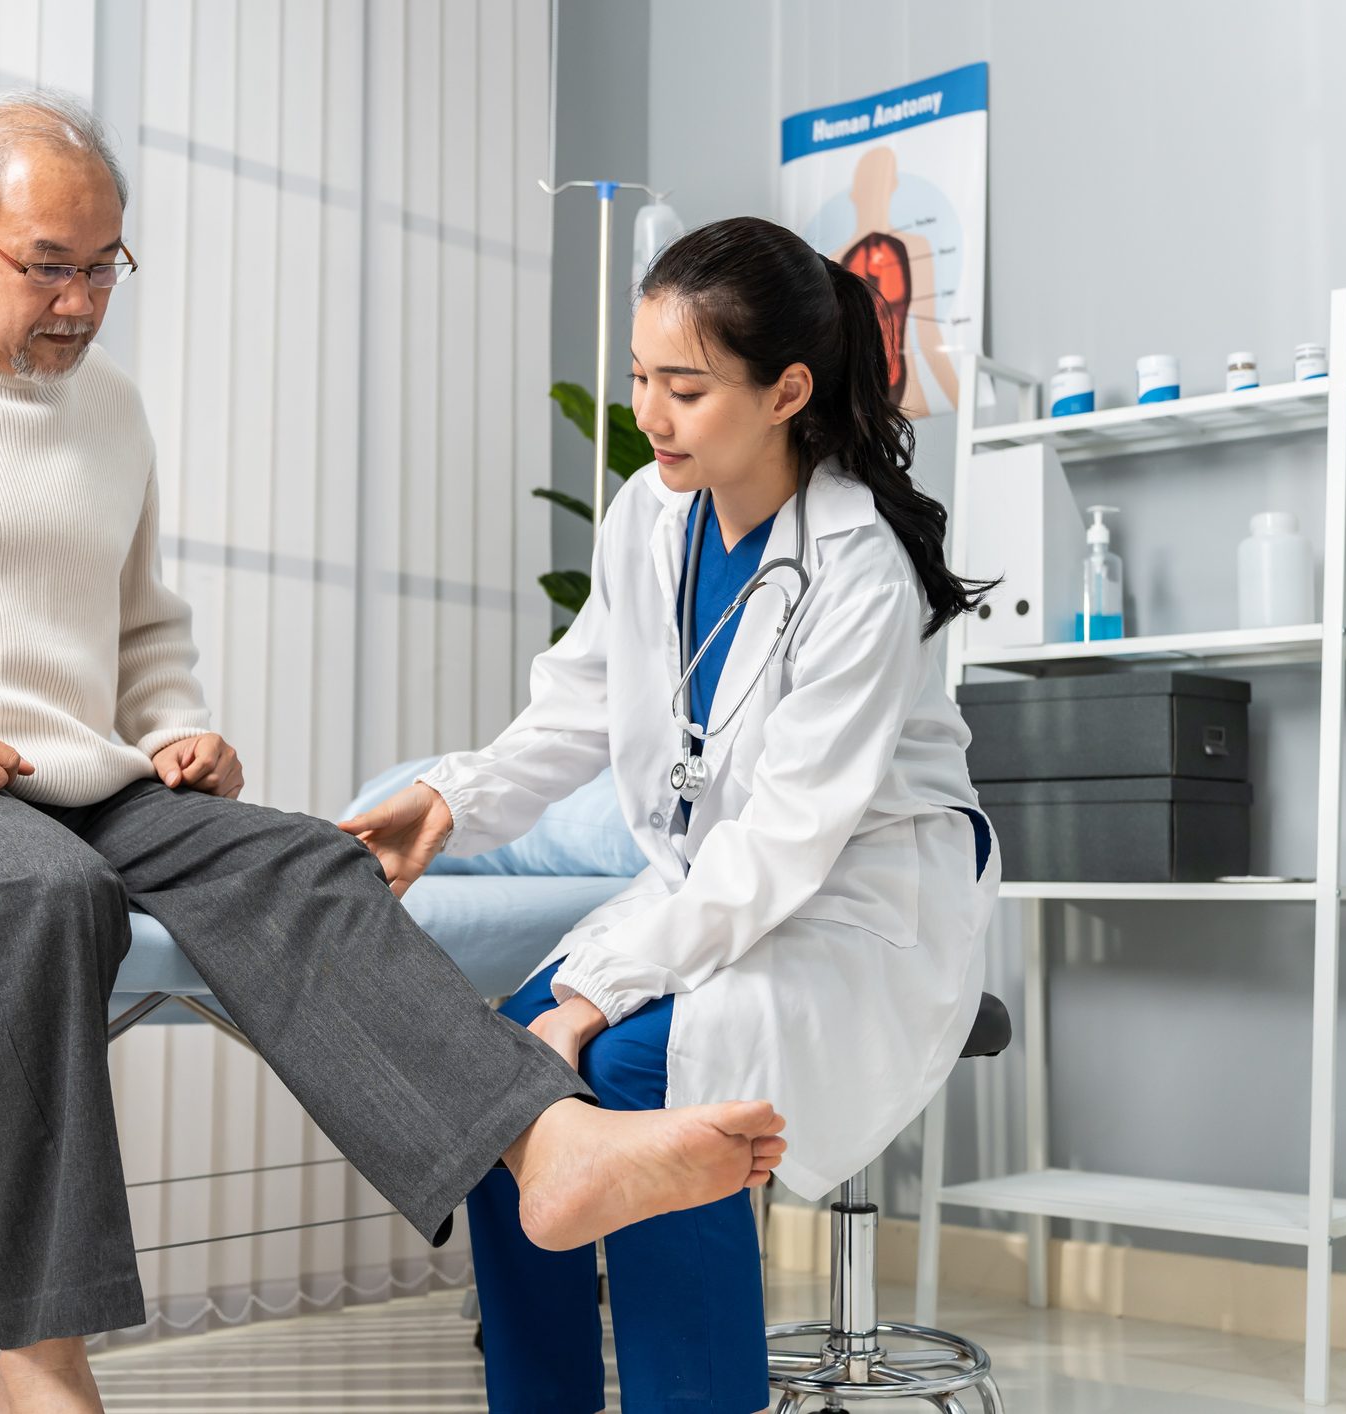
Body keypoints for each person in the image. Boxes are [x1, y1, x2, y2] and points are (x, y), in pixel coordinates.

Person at [0, 90, 787, 1414]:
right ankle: (42, 1357)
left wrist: (169, 731)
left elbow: (145, 623)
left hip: (80, 782)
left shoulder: (111, 415)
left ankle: (543, 1141)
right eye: (51, 266)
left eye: (106, 267)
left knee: (311, 862)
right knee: (44, 895)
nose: (82, 302)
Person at [340, 215, 1000, 1414]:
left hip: (854, 902)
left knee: (644, 1070)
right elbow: (579, 705)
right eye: (641, 377)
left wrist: (594, 1000)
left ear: (788, 389)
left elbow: (788, 838)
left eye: (685, 387)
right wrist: (450, 797)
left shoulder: (860, 567)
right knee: (499, 1081)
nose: (650, 412)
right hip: (707, 889)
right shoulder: (651, 512)